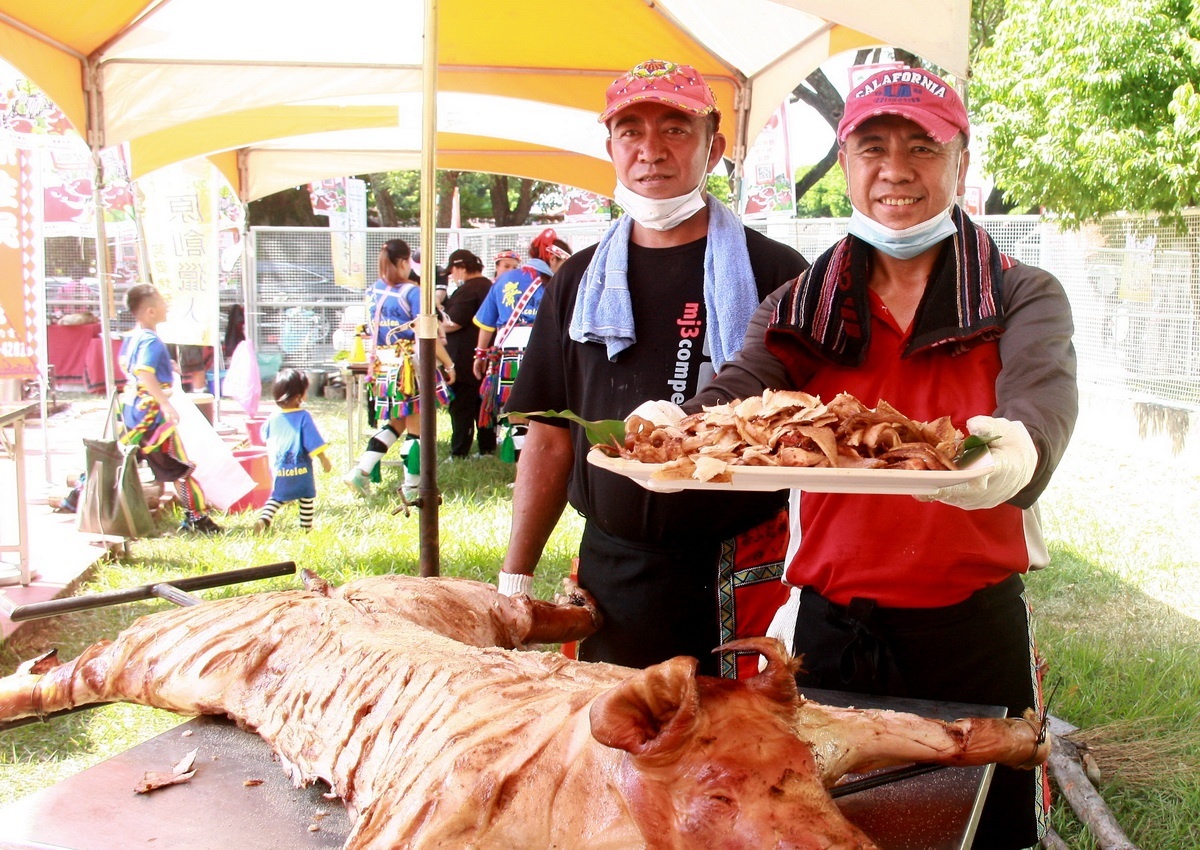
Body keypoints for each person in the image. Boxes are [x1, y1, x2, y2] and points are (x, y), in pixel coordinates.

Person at [682, 68, 1077, 849]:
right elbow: (742, 391)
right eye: (873, 146)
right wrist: (679, 424)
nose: (896, 169)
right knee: (842, 831)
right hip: (835, 637)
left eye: (921, 146)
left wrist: (1016, 449)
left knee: (982, 835)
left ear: (960, 163)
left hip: (970, 634)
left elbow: (1043, 395)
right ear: (847, 164)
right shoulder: (804, 305)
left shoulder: (1020, 294)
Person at [497, 59, 808, 675]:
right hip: (612, 571)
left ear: (713, 147)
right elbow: (551, 438)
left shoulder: (776, 272)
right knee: (618, 748)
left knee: (742, 753)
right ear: (609, 145)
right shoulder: (579, 281)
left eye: (675, 129)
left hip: (743, 565)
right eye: (631, 130)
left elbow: (811, 438)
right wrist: (515, 576)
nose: (651, 151)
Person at [344, 239, 454, 497]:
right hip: (409, 370)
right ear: (404, 262)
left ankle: (360, 471)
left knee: (395, 424)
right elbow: (426, 335)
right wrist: (449, 363)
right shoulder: (412, 293)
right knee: (417, 431)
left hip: (383, 368)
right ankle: (413, 487)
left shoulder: (372, 291)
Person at [118, 283, 222, 534]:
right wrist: (164, 403)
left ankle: (79, 495)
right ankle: (197, 519)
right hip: (152, 418)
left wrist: (166, 367)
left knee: (122, 458)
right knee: (180, 467)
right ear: (150, 311)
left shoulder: (133, 337)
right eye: (162, 301)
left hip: (134, 411)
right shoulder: (151, 340)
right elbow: (143, 372)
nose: (167, 306)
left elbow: (129, 367)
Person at [472, 229, 572, 449]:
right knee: (545, 416)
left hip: (509, 355)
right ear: (553, 257)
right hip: (545, 354)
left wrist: (480, 355)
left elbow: (487, 323)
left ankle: (521, 473)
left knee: (517, 414)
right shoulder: (558, 283)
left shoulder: (505, 279)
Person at [255, 369, 332, 533]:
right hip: (301, 468)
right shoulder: (303, 416)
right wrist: (324, 458)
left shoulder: (273, 417)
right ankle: (306, 528)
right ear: (299, 396)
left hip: (278, 468)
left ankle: (265, 518)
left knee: (278, 496)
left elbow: (263, 435)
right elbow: (313, 441)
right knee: (306, 497)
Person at [440, 249, 497, 458]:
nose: (452, 276)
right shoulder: (489, 287)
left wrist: (432, 326)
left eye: (453, 271)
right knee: (483, 405)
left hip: (464, 359)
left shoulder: (469, 290)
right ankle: (487, 447)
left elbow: (454, 322)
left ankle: (459, 451)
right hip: (484, 355)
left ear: (461, 268)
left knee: (461, 407)